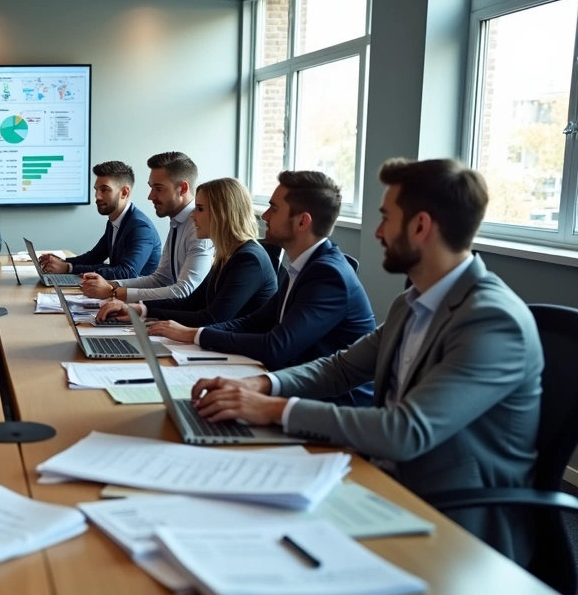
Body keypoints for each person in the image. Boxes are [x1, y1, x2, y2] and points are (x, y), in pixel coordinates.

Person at [191, 158, 542, 566]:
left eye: (385, 218)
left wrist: (272, 408)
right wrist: (260, 386)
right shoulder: (413, 302)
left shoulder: (491, 321)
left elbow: (405, 431)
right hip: (379, 477)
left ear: (420, 226)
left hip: (452, 518)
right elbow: (341, 368)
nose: (376, 232)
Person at [143, 171, 377, 406]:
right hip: (293, 386)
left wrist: (194, 334)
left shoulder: (327, 275)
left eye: (274, 208)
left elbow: (276, 346)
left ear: (302, 222)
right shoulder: (306, 266)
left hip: (330, 404)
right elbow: (253, 322)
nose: (264, 216)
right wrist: (193, 333)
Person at [97, 177, 277, 327]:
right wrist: (141, 309)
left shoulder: (248, 259)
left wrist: (144, 311)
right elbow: (190, 303)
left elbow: (212, 319)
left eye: (200, 209)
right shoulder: (227, 255)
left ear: (222, 213)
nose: (192, 215)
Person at [79, 152, 214, 301]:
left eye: (158, 188)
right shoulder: (177, 222)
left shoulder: (198, 227)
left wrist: (113, 292)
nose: (150, 196)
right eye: (151, 188)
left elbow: (184, 291)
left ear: (182, 188)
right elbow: (161, 279)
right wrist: (112, 285)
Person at [37, 161, 161, 280]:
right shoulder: (115, 221)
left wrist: (68, 268)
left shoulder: (140, 227)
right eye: (96, 190)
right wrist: (60, 262)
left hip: (136, 294)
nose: (97, 196)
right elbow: (94, 257)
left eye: (104, 190)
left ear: (124, 192)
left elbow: (127, 272)